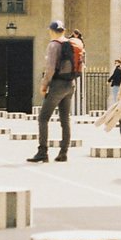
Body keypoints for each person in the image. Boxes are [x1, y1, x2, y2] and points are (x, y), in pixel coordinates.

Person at [27, 21, 78, 163]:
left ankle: (42, 151)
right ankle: (64, 152)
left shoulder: (53, 45)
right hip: (70, 84)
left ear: (51, 30)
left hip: (58, 85)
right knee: (65, 119)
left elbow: (50, 69)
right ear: (63, 30)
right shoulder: (71, 43)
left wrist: (44, 85)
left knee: (43, 118)